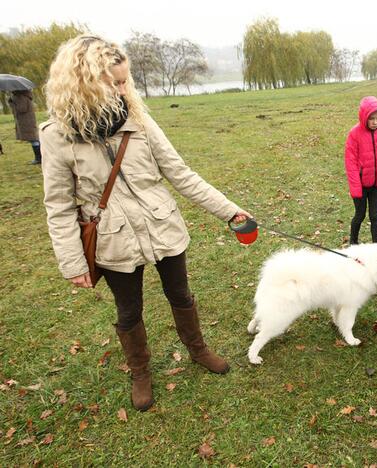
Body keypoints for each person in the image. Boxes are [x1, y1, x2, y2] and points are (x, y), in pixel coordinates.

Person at [40, 35, 252, 411]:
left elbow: (180, 173)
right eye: (114, 83)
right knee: (128, 311)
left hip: (162, 226)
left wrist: (229, 210)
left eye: (126, 82)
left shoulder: (138, 118)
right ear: (84, 82)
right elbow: (58, 206)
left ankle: (198, 349)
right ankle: (140, 371)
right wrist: (73, 262)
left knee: (181, 295)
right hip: (113, 240)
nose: (123, 91)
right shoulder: (57, 137)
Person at [344, 96, 377, 244]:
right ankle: (353, 243)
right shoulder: (354, 134)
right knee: (360, 215)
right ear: (364, 117)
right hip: (361, 186)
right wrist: (356, 188)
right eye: (371, 118)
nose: (375, 122)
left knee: (375, 216)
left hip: (376, 185)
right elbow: (350, 163)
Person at [8, 90, 42, 164]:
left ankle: (39, 158)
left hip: (26, 121)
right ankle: (39, 157)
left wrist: (12, 103)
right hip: (27, 120)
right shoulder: (23, 96)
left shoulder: (21, 97)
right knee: (33, 139)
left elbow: (22, 109)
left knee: (33, 139)